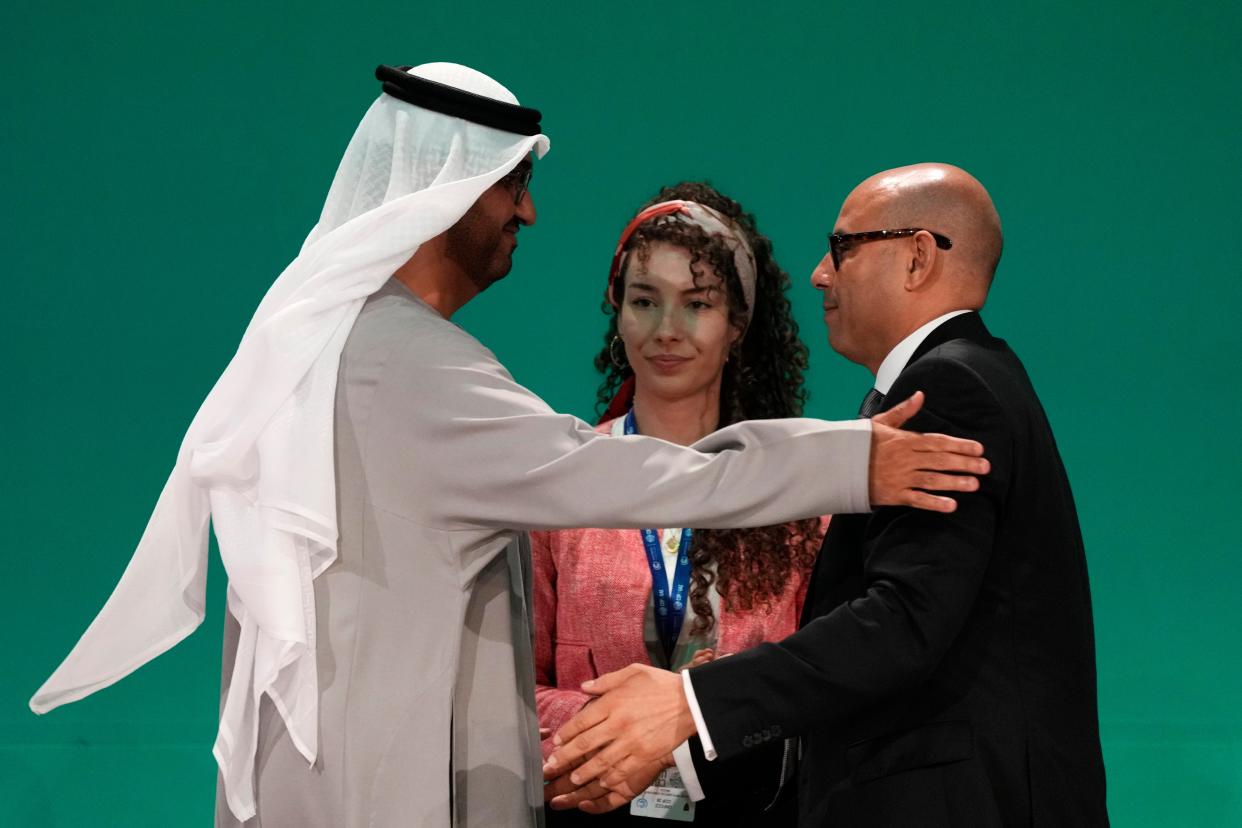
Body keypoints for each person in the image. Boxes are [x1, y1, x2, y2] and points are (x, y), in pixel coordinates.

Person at [26, 60, 988, 828]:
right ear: (455, 192)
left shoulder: (314, 342)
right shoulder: (406, 364)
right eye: (512, 185)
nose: (526, 212)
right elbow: (615, 469)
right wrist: (851, 459)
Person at [545, 163, 1109, 827]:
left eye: (842, 248)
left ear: (918, 257)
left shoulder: (949, 391)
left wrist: (687, 705)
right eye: (643, 299)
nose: (819, 272)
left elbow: (902, 620)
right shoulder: (960, 381)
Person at [533, 182, 823, 825]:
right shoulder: (557, 486)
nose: (667, 331)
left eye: (697, 304)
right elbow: (510, 690)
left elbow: (823, 687)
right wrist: (626, 725)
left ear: (737, 324)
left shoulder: (801, 501)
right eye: (644, 301)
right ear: (617, 310)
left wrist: (698, 712)